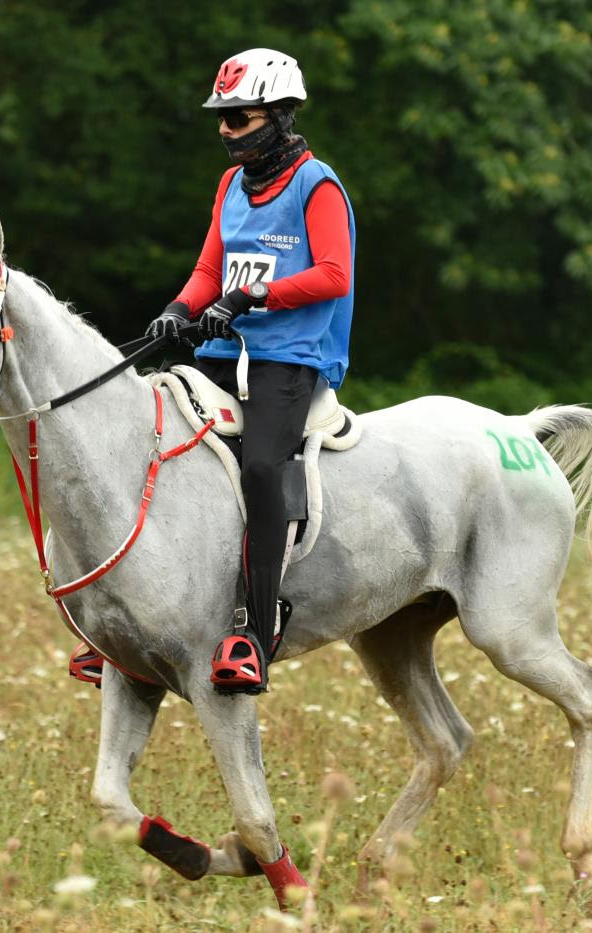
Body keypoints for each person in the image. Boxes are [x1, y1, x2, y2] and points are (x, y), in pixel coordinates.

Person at [145, 48, 356, 695]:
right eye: (222, 117)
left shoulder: (316, 183)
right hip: (225, 350)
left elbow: (333, 274)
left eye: (237, 117)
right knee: (155, 432)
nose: (225, 128)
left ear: (277, 116)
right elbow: (211, 269)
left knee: (262, 466)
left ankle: (257, 635)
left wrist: (253, 297)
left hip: (291, 356)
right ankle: (131, 624)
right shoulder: (231, 186)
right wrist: (179, 310)